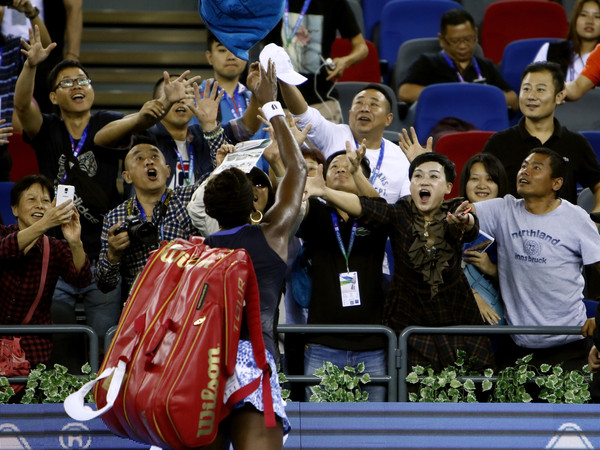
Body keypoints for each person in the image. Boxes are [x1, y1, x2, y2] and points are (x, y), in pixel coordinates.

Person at [305, 152, 494, 370]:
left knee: (468, 398)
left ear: (448, 187)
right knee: (413, 400)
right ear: (411, 185)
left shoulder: (456, 208)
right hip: (410, 327)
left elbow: (469, 226)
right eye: (417, 176)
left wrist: (465, 222)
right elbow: (366, 207)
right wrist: (325, 191)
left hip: (456, 323)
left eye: (433, 176)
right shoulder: (399, 213)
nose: (424, 181)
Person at [203, 61, 304, 448]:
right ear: (254, 204)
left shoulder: (196, 252)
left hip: (202, 365)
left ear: (211, 209)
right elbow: (296, 169)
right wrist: (271, 107)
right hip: (251, 364)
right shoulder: (272, 234)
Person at [474, 148, 600, 370]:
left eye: (536, 168)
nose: (526, 171)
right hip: (516, 346)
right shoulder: (504, 209)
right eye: (523, 166)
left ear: (556, 183)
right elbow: (460, 214)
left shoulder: (576, 218)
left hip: (569, 345)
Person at [299, 147, 388, 401]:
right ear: (324, 179)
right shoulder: (315, 211)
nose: (339, 167)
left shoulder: (375, 218)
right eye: (333, 166)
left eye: (347, 165)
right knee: (319, 431)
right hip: (322, 343)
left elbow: (381, 210)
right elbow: (293, 210)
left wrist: (357, 172)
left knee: (372, 434)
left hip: (372, 344)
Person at [94, 70, 261, 190]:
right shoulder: (143, 136)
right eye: (171, 97)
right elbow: (101, 138)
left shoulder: (206, 134)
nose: (180, 102)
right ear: (156, 101)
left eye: (185, 96)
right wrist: (140, 118)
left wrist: (256, 93)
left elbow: (247, 127)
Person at [96, 133, 206, 296]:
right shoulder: (115, 217)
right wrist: (113, 255)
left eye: (155, 156)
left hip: (185, 296)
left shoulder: (189, 198)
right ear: (127, 177)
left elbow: (217, 182)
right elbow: (105, 285)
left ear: (168, 171)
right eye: (139, 159)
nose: (149, 161)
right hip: (141, 302)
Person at [279, 68, 411, 203]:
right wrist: (283, 78)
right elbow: (302, 113)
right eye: (359, 103)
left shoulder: (401, 159)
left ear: (388, 119)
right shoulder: (333, 133)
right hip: (327, 218)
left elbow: (407, 209)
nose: (364, 108)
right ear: (349, 113)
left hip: (377, 221)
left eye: (374, 104)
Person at [0, 174, 91, 367]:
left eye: (46, 201)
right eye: (31, 199)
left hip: (33, 348)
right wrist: (45, 224)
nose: (40, 205)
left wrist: (75, 242)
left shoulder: (56, 248)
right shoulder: (2, 234)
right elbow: (5, 250)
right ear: (14, 209)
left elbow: (81, 279)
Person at [483, 61, 600, 210]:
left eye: (540, 89)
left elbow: (597, 184)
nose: (531, 96)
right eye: (526, 89)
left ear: (559, 96)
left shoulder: (575, 143)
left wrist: (594, 222)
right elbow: (480, 186)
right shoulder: (499, 142)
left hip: (561, 231)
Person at [262, 0, 368, 123]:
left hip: (321, 99)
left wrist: (345, 61)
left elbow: (362, 47)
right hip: (278, 101)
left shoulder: (334, 3)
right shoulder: (273, 2)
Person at [397, 8, 518, 111]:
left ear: (475, 35)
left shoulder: (485, 65)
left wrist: (482, 95)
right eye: (455, 41)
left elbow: (513, 99)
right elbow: (405, 92)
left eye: (468, 39)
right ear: (442, 40)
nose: (463, 46)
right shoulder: (428, 63)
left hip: (481, 121)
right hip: (443, 123)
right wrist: (453, 95)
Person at [460, 153, 509, 326]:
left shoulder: (511, 224)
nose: (481, 186)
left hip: (503, 315)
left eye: (490, 180)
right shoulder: (451, 219)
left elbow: (524, 281)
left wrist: (492, 269)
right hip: (459, 310)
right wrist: (473, 295)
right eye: (474, 179)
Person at [194, 30, 269, 141]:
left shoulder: (258, 99)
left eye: (237, 50)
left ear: (247, 54)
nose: (231, 57)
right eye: (222, 50)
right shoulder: (196, 98)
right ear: (209, 57)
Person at [533, 0, 600, 82]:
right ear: (575, 19)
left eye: (597, 17)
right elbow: (533, 87)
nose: (590, 21)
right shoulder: (549, 50)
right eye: (583, 15)